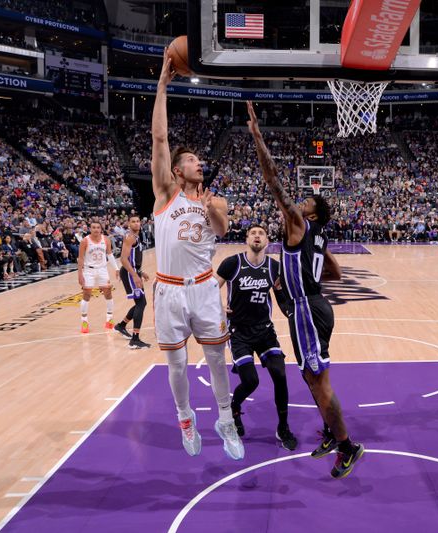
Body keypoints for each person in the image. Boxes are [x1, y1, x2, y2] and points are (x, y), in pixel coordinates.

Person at [247, 101, 364, 479]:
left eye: (306, 201)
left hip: (307, 310)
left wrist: (258, 138)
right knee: (308, 377)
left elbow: (274, 184)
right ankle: (332, 432)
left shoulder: (298, 223)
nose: (299, 201)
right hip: (311, 306)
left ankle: (348, 446)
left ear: (310, 214)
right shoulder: (318, 238)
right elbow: (336, 271)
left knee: (317, 380)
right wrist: (308, 282)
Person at [152, 50, 243, 460]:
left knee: (217, 361)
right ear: (176, 171)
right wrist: (161, 87)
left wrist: (211, 212)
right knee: (177, 366)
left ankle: (225, 418)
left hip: (205, 288)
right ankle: (185, 417)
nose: (198, 162)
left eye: (199, 160)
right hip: (170, 291)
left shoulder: (215, 200)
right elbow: (159, 139)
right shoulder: (166, 194)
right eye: (190, 159)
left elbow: (224, 232)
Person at [215, 224, 298, 451]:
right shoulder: (232, 263)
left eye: (261, 233)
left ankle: (283, 427)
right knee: (251, 381)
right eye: (253, 233)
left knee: (280, 374)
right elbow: (211, 287)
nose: (257, 236)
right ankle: (234, 406)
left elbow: (281, 297)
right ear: (247, 238)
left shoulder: (273, 268)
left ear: (267, 241)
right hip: (239, 332)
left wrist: (291, 313)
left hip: (264, 331)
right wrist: (219, 304)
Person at [114, 215, 152, 349]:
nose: (136, 224)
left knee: (141, 303)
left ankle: (121, 325)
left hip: (134, 272)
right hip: (130, 274)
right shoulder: (129, 237)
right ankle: (135, 339)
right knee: (141, 303)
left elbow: (133, 259)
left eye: (137, 221)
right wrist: (135, 275)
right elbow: (123, 259)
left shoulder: (136, 237)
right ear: (128, 224)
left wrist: (140, 272)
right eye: (133, 222)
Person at [77, 221, 118, 334]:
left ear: (101, 229)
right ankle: (84, 321)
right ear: (90, 229)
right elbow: (80, 258)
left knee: (108, 292)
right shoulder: (85, 241)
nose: (96, 229)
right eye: (93, 227)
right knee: (86, 294)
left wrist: (116, 268)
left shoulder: (106, 240)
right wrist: (80, 273)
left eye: (98, 227)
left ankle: (109, 319)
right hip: (89, 270)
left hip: (102, 269)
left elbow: (110, 255)